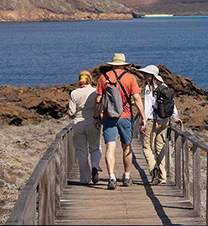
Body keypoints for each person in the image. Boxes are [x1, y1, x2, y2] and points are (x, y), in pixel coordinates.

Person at [93, 53, 146, 190]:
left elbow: (98, 100)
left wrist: (95, 117)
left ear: (112, 64)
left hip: (108, 116)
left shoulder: (103, 78)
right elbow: (137, 98)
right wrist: (143, 117)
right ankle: (127, 176)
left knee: (110, 147)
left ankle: (111, 177)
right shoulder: (130, 78)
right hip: (125, 116)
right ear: (124, 64)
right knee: (126, 147)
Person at [138, 65, 183, 185]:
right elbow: (171, 104)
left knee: (146, 146)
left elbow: (148, 106)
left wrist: (144, 121)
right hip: (165, 120)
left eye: (146, 74)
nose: (144, 76)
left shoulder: (149, 88)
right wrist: (176, 117)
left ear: (152, 76)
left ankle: (153, 168)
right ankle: (163, 177)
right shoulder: (165, 87)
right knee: (160, 147)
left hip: (153, 120)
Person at [67, 70, 102, 185]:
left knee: (82, 152)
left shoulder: (74, 93)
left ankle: (85, 179)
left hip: (78, 124)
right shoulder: (95, 91)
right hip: (93, 122)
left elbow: (71, 112)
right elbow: (100, 107)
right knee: (95, 148)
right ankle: (95, 166)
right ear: (89, 79)